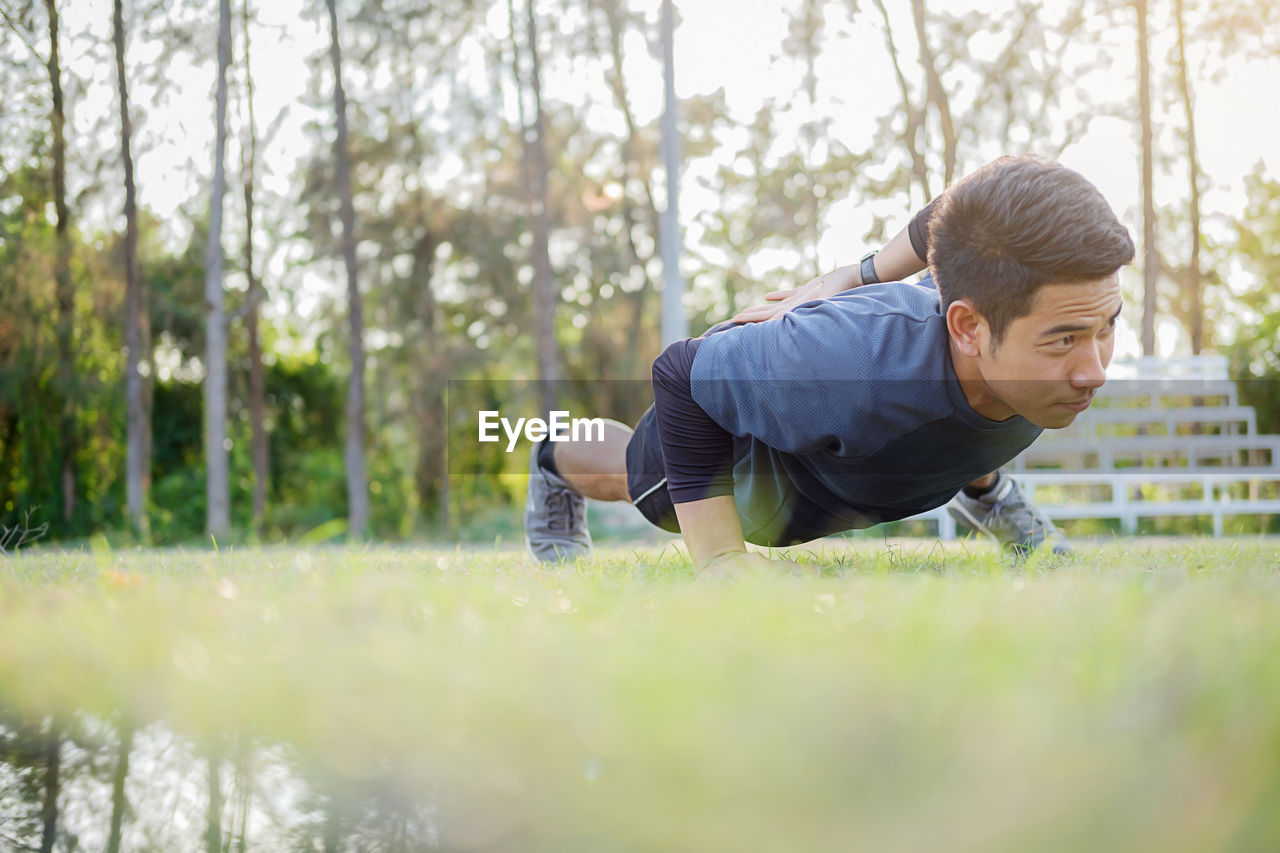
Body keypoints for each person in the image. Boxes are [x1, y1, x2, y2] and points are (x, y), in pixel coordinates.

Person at [525, 155, 1135, 576]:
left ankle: (991, 496)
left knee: (970, 396)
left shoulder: (1041, 326)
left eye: (1107, 327)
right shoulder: (848, 365)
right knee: (636, 476)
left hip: (897, 424)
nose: (1095, 371)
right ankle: (552, 457)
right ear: (969, 328)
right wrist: (720, 562)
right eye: (1064, 341)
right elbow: (681, 373)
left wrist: (859, 271)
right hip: (744, 449)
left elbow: (983, 199)